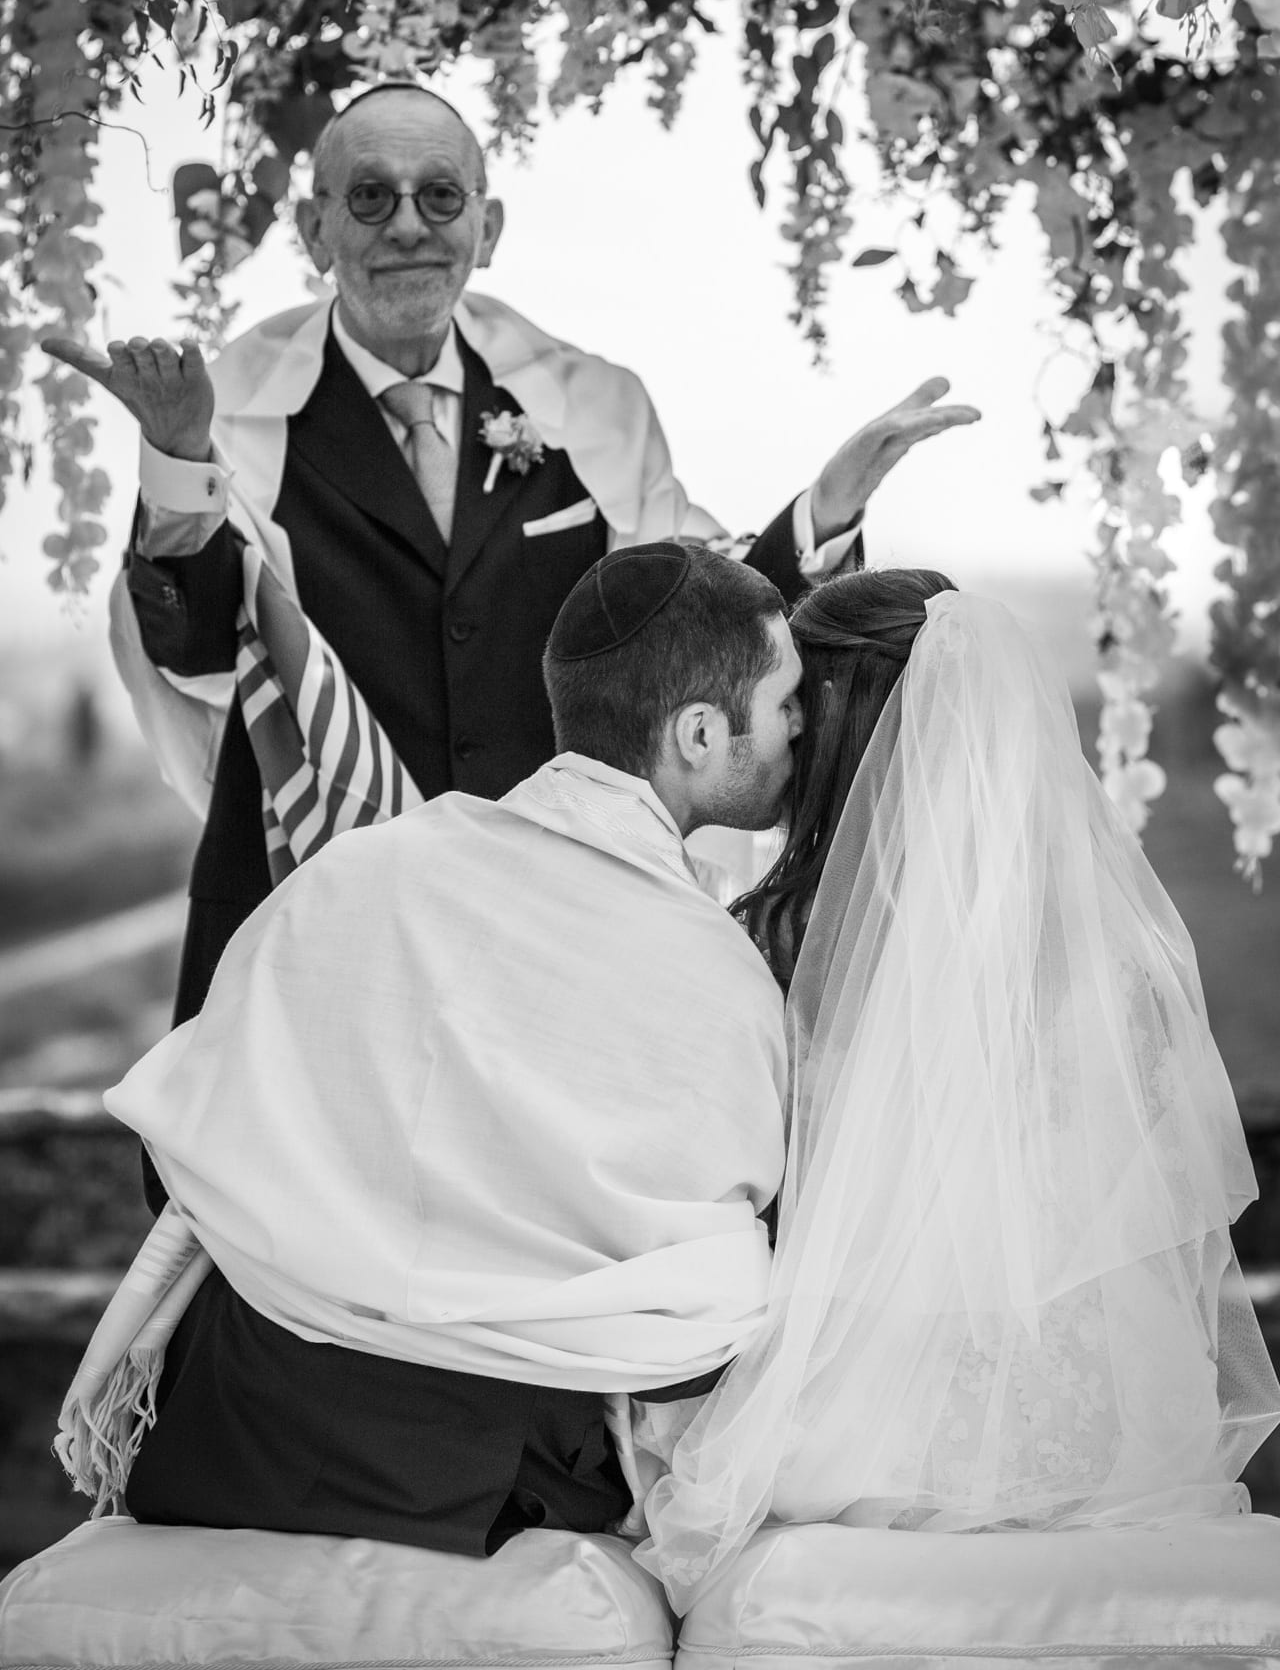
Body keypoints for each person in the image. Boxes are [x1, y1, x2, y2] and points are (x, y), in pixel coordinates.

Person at [43, 84, 979, 1072]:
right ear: (314, 230)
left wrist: (823, 512)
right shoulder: (226, 411)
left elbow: (693, 621)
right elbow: (192, 650)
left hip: (544, 939)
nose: (408, 225)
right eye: (370, 197)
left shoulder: (583, 404)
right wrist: (178, 458)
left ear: (485, 229)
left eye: (439, 196)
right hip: (307, 917)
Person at [56, 543, 798, 1559]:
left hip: (236, 1421)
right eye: (784, 703)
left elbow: (200, 1130)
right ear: (700, 732)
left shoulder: (352, 872)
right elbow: (720, 1268)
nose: (800, 727)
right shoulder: (719, 975)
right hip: (480, 1472)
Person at [636, 570, 1280, 1612]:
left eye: (798, 704)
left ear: (842, 726)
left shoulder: (776, 944)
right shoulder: (1115, 945)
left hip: (874, 1432)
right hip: (1114, 1425)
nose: (786, 729)